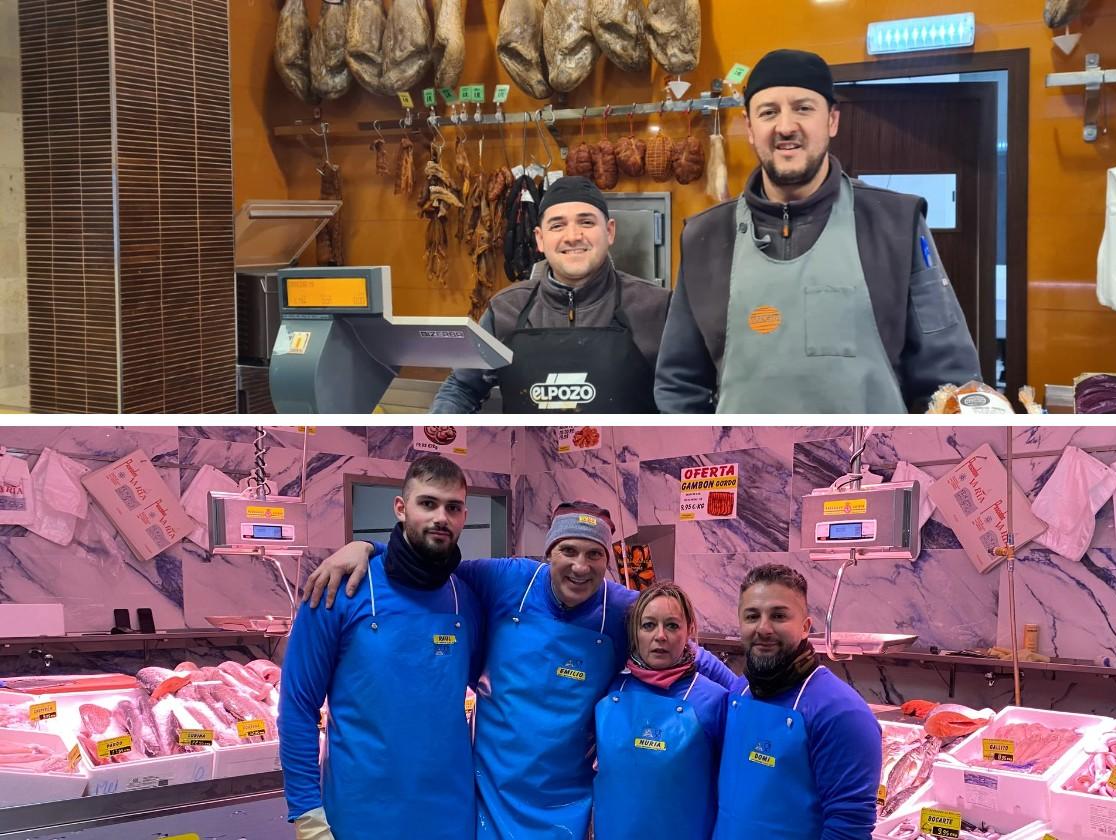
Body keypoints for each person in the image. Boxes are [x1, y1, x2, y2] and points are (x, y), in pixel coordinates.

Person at [302, 500, 739, 840]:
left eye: (594, 554)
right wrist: (370, 547)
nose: (580, 566)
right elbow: (427, 564)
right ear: (549, 552)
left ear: (607, 561)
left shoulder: (621, 609)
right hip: (489, 796)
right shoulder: (506, 578)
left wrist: (746, 698)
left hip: (567, 804)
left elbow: (687, 650)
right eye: (567, 550)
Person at [654, 48, 982, 414]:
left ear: (832, 121)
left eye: (803, 108)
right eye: (768, 112)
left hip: (872, 468)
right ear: (749, 128)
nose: (786, 126)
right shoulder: (706, 237)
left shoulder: (896, 223)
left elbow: (950, 380)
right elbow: (679, 385)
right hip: (749, 468)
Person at [279, 455, 484, 840]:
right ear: (401, 509)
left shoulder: (466, 598)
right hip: (360, 815)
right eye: (428, 503)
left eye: (452, 507)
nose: (441, 517)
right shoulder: (338, 589)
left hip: (452, 815)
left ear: (463, 516)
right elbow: (297, 706)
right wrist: (306, 811)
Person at [431, 176, 671, 414]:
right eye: (557, 225)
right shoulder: (505, 310)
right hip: (528, 451)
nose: (573, 236)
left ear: (609, 232)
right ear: (540, 239)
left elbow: (688, 394)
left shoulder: (657, 308)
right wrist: (435, 434)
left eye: (586, 222)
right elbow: (462, 386)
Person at [713, 564, 881, 840]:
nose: (763, 628)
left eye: (778, 616)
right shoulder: (739, 692)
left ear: (805, 627)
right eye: (752, 616)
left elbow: (849, 827)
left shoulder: (842, 713)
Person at [593, 582, 728, 840]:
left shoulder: (714, 701)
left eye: (672, 625)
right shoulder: (611, 690)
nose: (660, 636)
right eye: (648, 625)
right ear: (635, 633)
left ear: (689, 630)